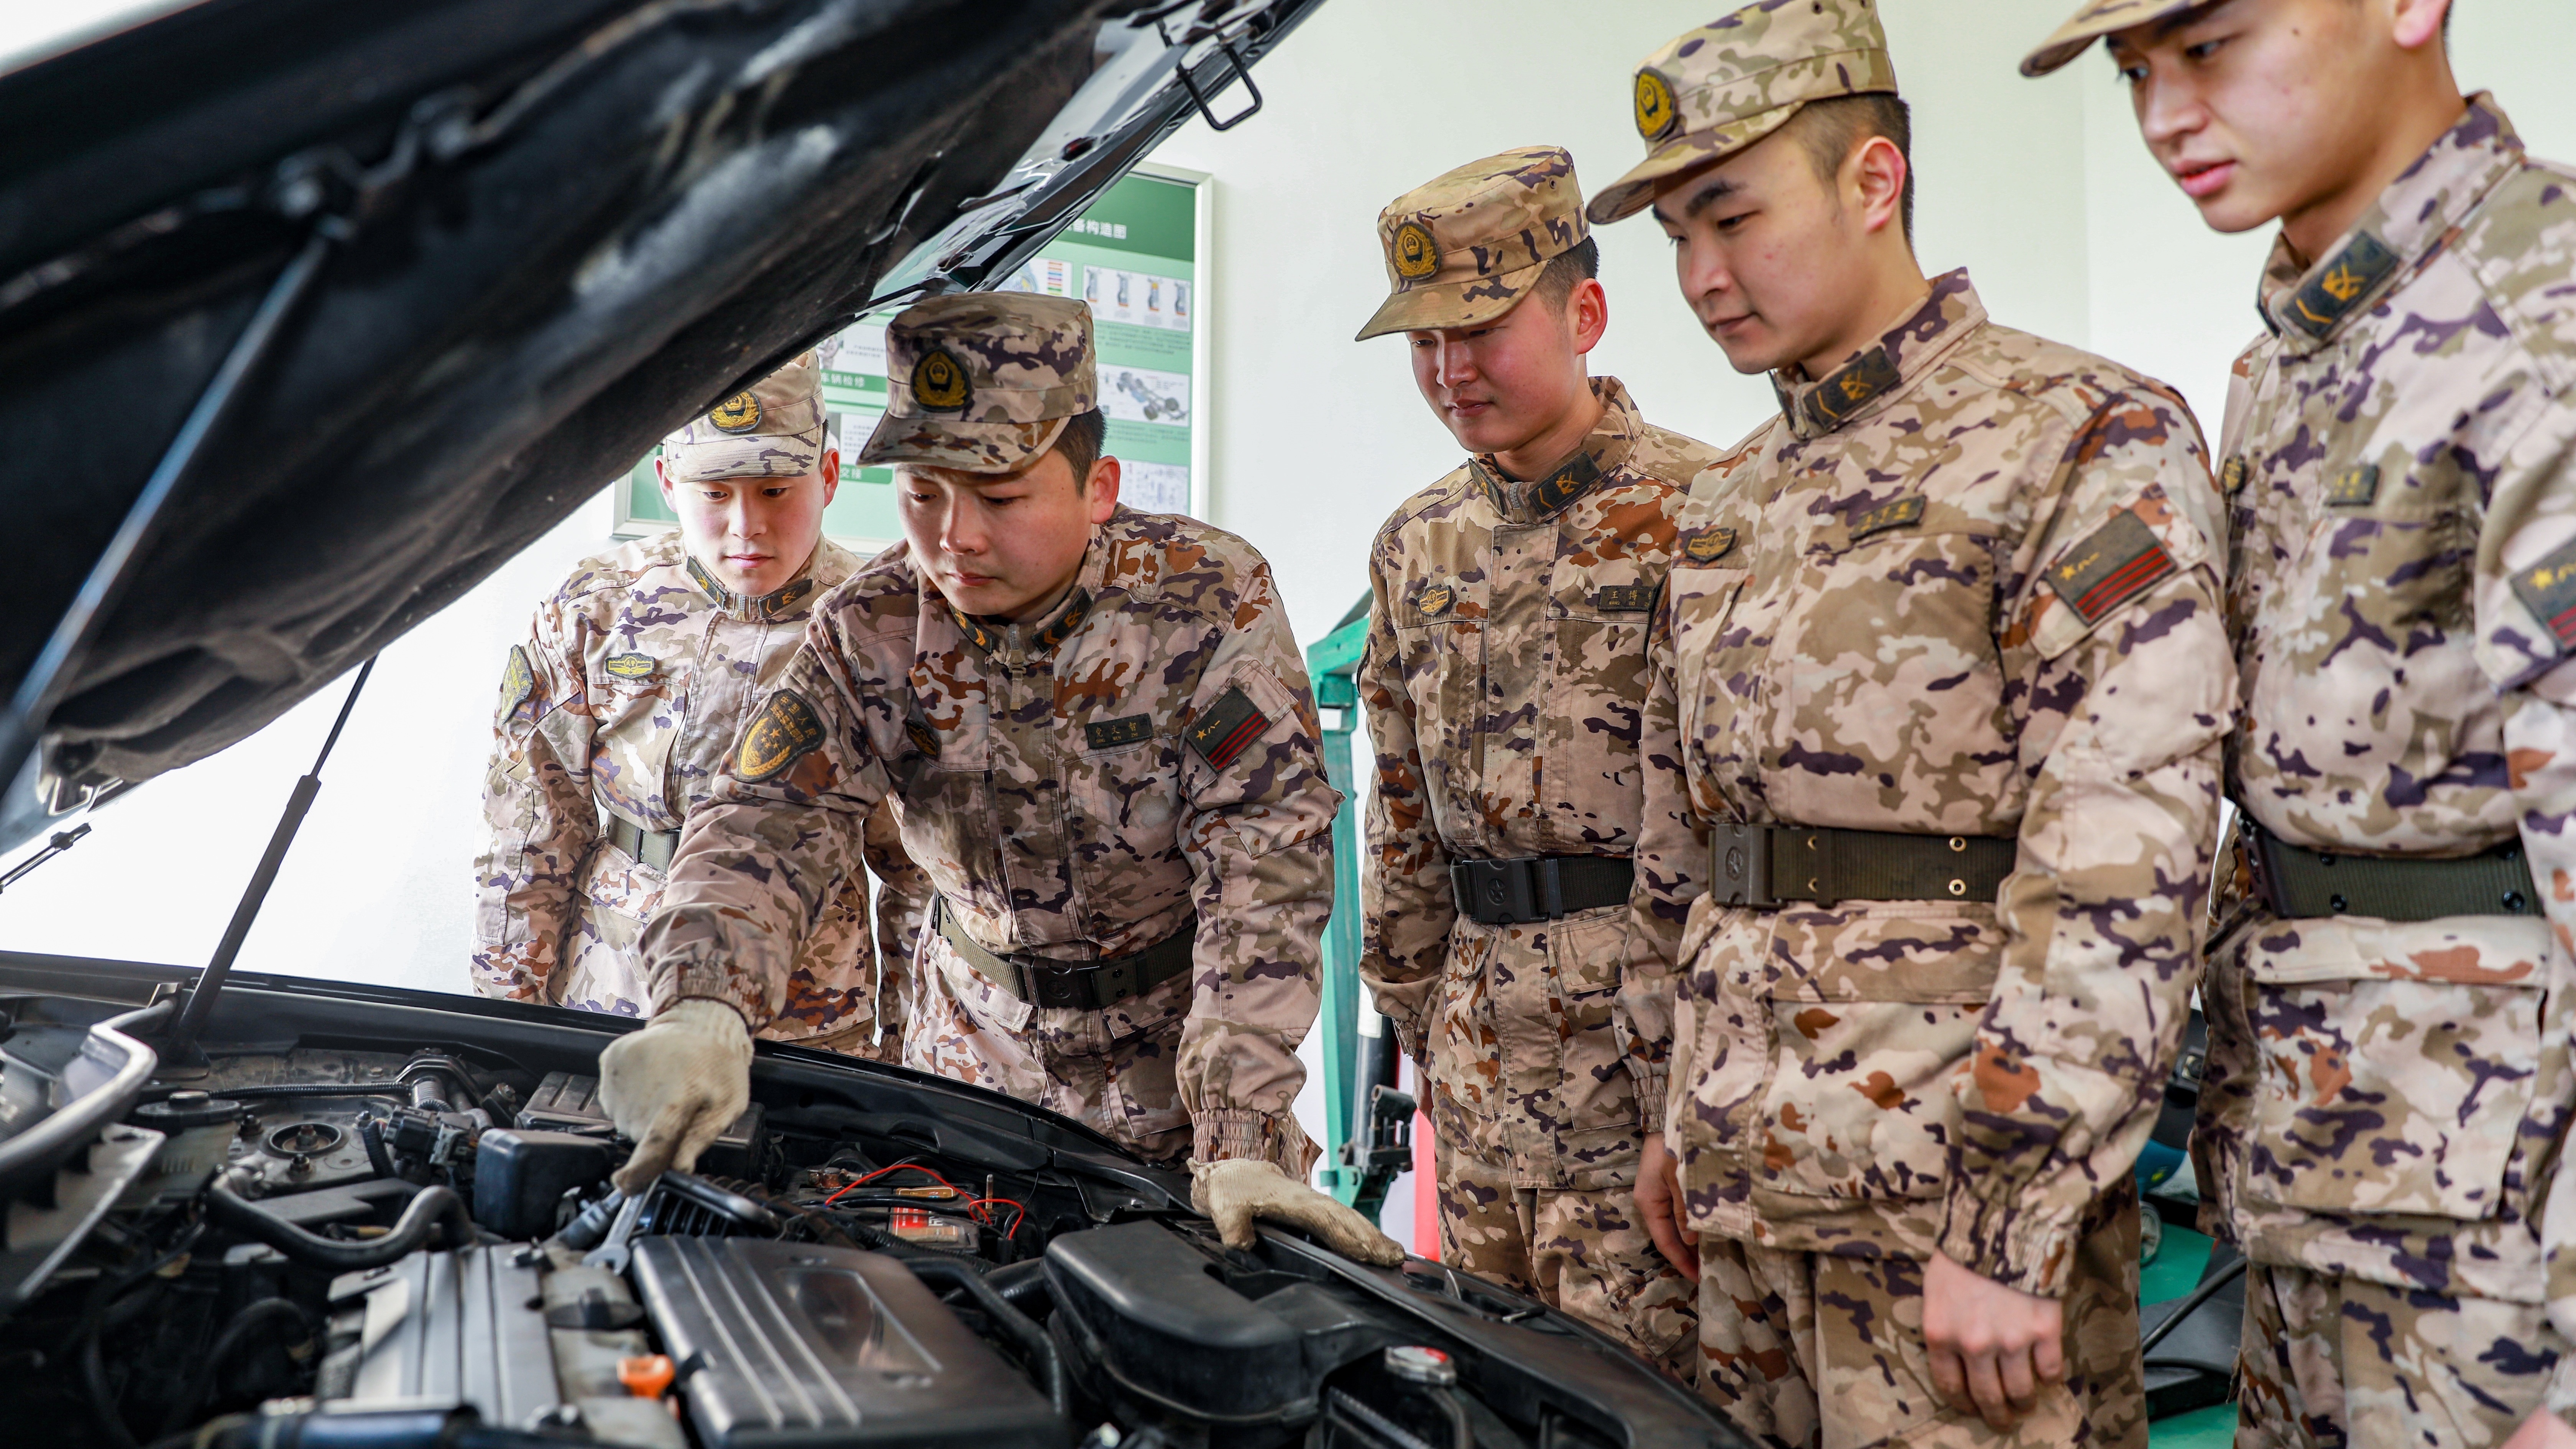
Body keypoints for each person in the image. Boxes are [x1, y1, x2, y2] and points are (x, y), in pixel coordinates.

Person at [1599, 2, 2235, 1442]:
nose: (1701, 277)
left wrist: (2014, 1216)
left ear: (1873, 181)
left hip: (1948, 1209)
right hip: (1745, 1179)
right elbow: (1681, 842)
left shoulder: (2077, 434)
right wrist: (1673, 1111)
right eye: (1677, 240)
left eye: (1733, 219)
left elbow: (2124, 851)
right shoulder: (1729, 497)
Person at [2022, 2, 2576, 1444]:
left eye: (2210, 44)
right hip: (2325, 1172)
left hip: (2508, 1249)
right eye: (2135, 70)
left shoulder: (2540, 314)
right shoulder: (2299, 352)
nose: (2164, 113)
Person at [594, 292, 1401, 1264]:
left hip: (1177, 1073)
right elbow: (765, 818)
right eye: (923, 493)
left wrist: (1240, 1134)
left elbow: (1263, 867)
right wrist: (702, 1006)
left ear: (1099, 486)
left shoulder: (1203, 599)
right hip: (966, 1071)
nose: (955, 537)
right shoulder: (873, 624)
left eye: (1001, 497)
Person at [1353, 145, 1716, 1375]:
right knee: (1481, 1391)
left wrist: (1689, 1086)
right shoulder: (1417, 543)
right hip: (1478, 1072)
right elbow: (1399, 811)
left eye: (1479, 330)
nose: (1450, 373)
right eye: (1423, 342)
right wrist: (1421, 1019)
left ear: (1584, 314)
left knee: (1645, 1401)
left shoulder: (1706, 512)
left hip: (1642, 1073)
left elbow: (1730, 825)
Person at [472, 350, 917, 1057]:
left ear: (829, 476)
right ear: (667, 483)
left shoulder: (881, 626)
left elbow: (919, 873)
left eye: (776, 490)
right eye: (714, 492)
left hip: (808, 1014)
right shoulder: (596, 607)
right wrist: (504, 1025)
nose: (746, 525)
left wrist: (908, 1063)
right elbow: (531, 831)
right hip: (616, 991)